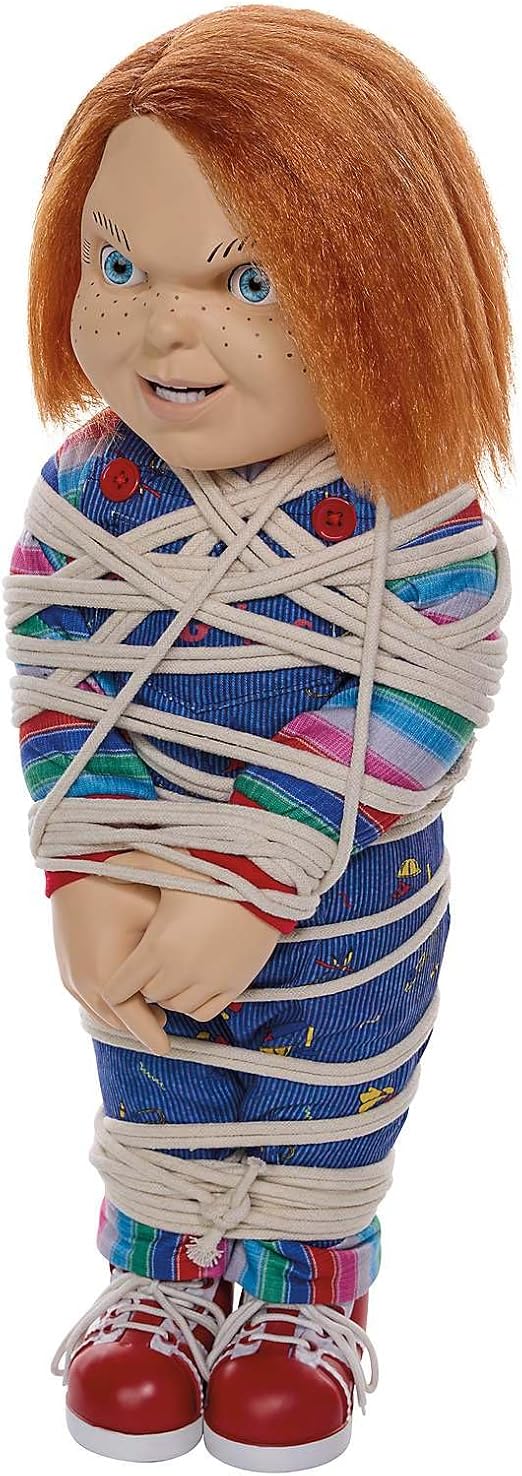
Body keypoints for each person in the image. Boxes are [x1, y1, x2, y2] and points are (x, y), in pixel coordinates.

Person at [5, 6, 512, 1468]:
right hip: (141, 874)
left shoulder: (409, 508)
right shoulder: (90, 496)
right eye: (117, 267)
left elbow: (425, 691)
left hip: (345, 901)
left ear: (388, 290)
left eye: (248, 281)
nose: (165, 331)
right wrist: (89, 868)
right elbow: (59, 673)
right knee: (153, 1076)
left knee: (324, 1099)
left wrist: (254, 875)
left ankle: (303, 1299)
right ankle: (160, 1279)